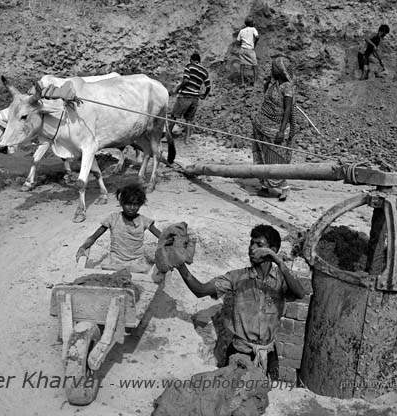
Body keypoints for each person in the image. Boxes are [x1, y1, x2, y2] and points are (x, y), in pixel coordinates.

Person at [175, 224, 306, 380]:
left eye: (259, 245)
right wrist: (179, 264)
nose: (252, 248)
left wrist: (279, 262)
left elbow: (300, 293)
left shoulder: (281, 280)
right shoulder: (237, 277)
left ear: (273, 249)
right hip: (239, 352)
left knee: (265, 397)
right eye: (251, 243)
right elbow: (200, 290)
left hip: (268, 354)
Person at [76, 183, 160, 273]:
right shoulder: (113, 218)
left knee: (144, 271)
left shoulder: (144, 221)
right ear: (121, 203)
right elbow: (94, 237)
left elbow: (162, 236)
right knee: (106, 270)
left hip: (136, 261)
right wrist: (83, 247)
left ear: (140, 204)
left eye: (135, 204)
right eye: (128, 204)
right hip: (115, 260)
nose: (132, 208)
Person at [252, 56, 297, 201]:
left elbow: (288, 109)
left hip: (276, 128)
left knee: (275, 158)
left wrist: (282, 131)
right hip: (262, 125)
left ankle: (283, 187)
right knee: (263, 155)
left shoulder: (287, 87)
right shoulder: (274, 84)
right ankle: (265, 186)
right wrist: (266, 84)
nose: (271, 70)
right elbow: (267, 98)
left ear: (279, 70)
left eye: (273, 68)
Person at [167, 52, 211, 145]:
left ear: (192, 60)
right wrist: (204, 95)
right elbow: (208, 86)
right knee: (189, 120)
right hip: (195, 98)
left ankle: (168, 136)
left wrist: (177, 89)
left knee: (174, 116)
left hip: (185, 96)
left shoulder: (189, 66)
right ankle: (186, 140)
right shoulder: (205, 71)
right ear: (199, 61)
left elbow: (186, 80)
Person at [237, 17, 259, 85]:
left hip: (242, 50)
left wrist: (242, 45)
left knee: (242, 66)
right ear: (251, 23)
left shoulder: (241, 31)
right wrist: (254, 44)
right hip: (250, 50)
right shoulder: (253, 29)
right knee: (255, 65)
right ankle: (255, 83)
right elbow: (257, 37)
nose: (254, 23)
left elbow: (238, 41)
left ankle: (242, 83)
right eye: (253, 22)